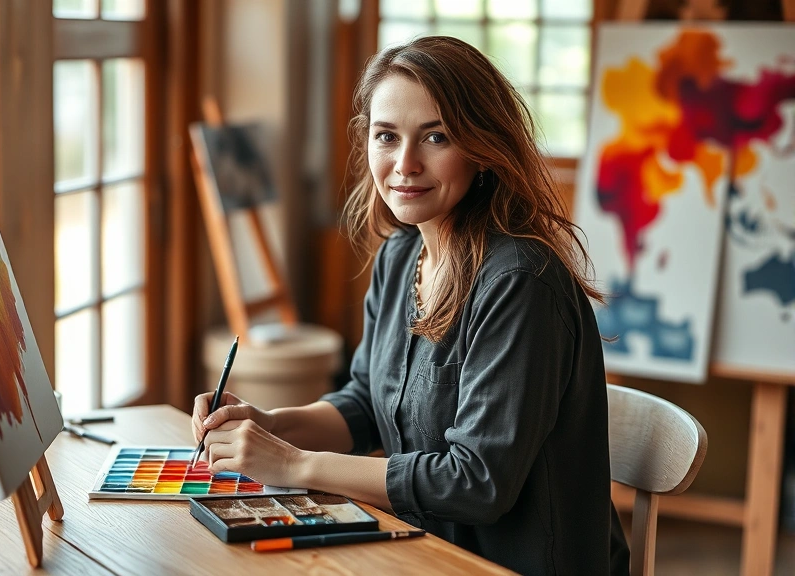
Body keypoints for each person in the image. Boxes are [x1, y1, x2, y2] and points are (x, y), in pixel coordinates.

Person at [191, 36, 629, 575]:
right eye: (386, 137)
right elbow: (364, 402)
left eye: (436, 137)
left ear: (481, 148)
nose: (405, 163)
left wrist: (296, 464)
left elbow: (477, 483)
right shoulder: (402, 254)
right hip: (421, 550)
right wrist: (271, 425)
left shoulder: (521, 282)